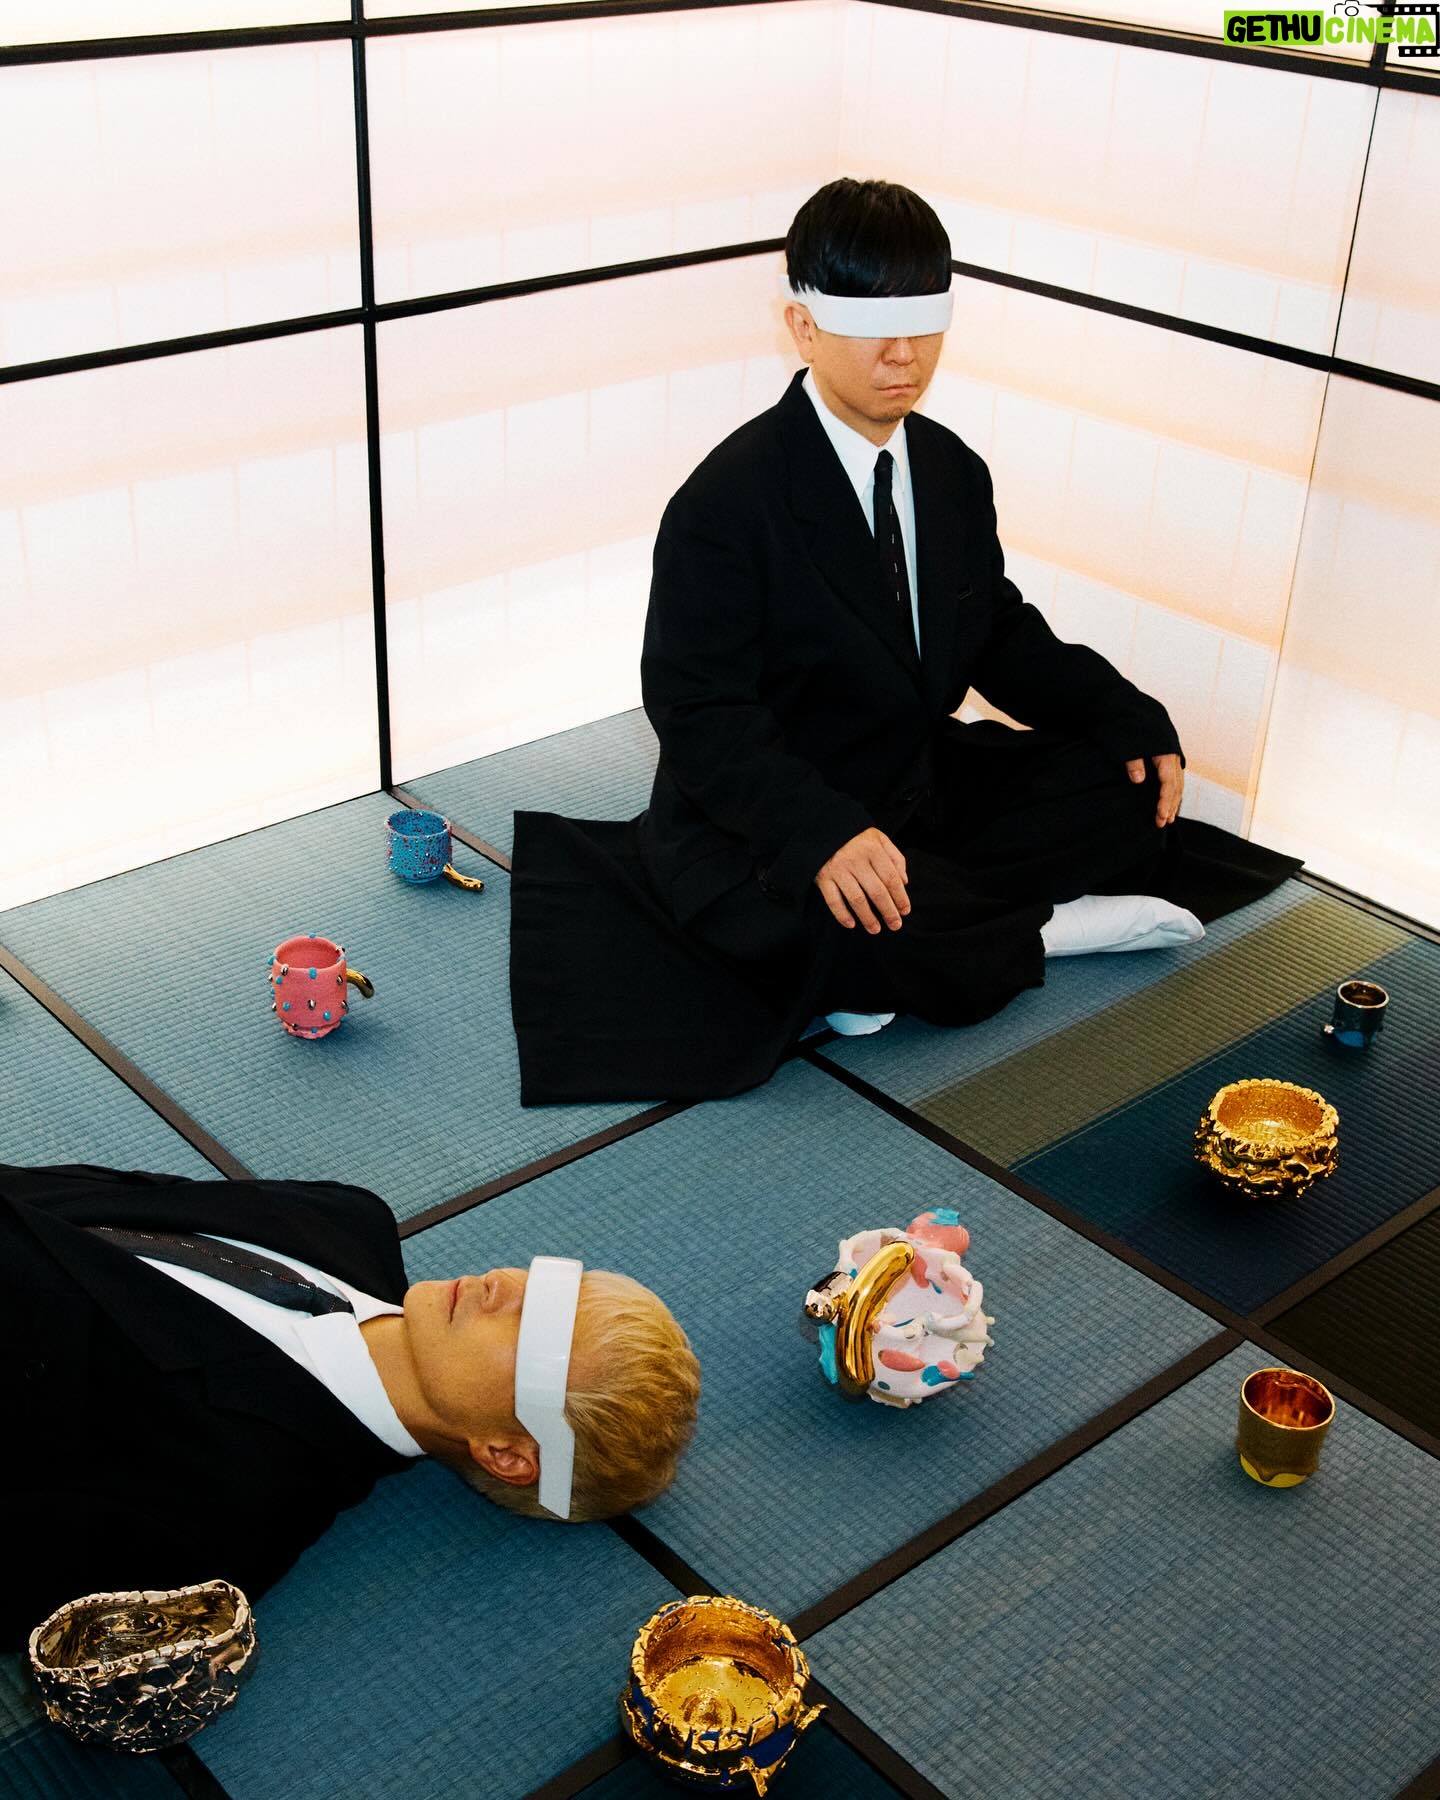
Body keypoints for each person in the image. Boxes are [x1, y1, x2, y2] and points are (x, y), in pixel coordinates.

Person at [508, 178, 1298, 1104]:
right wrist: (821, 832)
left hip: (917, 782)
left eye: (925, 321)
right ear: (803, 327)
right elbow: (699, 711)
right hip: (770, 816)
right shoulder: (726, 501)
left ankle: (943, 933)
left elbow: (995, 631)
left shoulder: (953, 470)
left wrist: (1121, 710)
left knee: (1120, 792)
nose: (904, 352)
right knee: (818, 923)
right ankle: (1039, 932)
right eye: (872, 325)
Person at [1, 1160, 700, 1651]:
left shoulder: (221, 1509)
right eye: (551, 1284)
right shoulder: (348, 1218)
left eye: (538, 1328)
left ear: (507, 1453)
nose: (503, 1283)